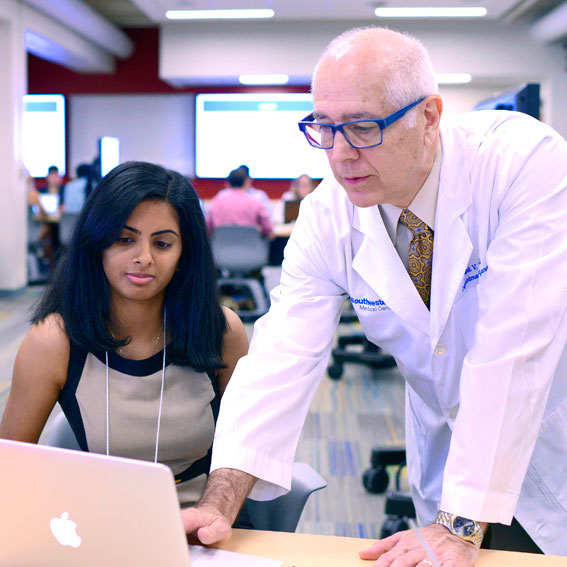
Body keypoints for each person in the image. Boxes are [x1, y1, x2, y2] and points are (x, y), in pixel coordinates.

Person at [181, 26, 567, 564]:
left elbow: (512, 350)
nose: (339, 156)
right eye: (324, 129)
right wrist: (220, 502)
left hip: (550, 434)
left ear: (429, 118)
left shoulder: (522, 163)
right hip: (448, 457)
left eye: (363, 128)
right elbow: (280, 358)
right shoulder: (327, 217)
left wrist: (459, 523)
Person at [0, 161, 249, 510]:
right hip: (102, 529)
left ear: (183, 255)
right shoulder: (55, 341)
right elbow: (9, 469)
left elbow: (250, 445)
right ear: (97, 244)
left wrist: (216, 512)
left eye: (162, 244)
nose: (143, 258)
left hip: (206, 526)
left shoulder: (221, 331)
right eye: (124, 239)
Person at [207, 167, 273, 237]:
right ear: (246, 182)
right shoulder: (255, 202)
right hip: (250, 246)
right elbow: (268, 230)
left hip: (220, 246)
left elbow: (207, 228)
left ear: (228, 183)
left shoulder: (216, 201)